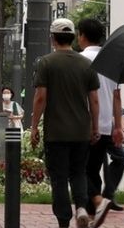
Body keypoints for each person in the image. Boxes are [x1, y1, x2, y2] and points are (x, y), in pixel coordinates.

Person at [30, 18, 101, 228]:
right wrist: (95, 127)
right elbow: (94, 100)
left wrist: (34, 126)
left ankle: (63, 221)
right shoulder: (86, 64)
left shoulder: (46, 62)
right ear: (73, 37)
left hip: (56, 132)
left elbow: (40, 97)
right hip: (81, 131)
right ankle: (81, 207)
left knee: (59, 178)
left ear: (52, 38)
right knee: (78, 173)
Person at [78, 18, 124, 227]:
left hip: (86, 124)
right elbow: (117, 96)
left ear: (82, 36)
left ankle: (97, 202)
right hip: (106, 125)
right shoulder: (112, 61)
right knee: (93, 169)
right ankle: (94, 212)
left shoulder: (80, 60)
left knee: (81, 170)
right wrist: (118, 126)